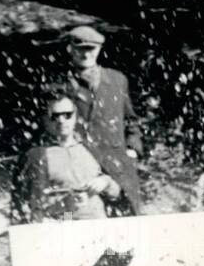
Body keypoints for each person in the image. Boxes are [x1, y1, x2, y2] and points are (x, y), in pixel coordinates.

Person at [60, 25, 145, 215]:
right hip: (81, 163)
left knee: (129, 219)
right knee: (82, 217)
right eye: (80, 49)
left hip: (118, 163)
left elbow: (130, 119)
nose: (85, 54)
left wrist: (132, 149)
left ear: (99, 49)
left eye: (91, 49)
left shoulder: (116, 80)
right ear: (70, 49)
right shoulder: (61, 84)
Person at [11, 88, 124, 223]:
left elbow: (117, 195)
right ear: (45, 119)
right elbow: (31, 210)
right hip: (64, 230)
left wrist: (107, 182)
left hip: (102, 226)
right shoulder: (37, 156)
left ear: (75, 116)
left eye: (67, 115)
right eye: (55, 116)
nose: (61, 120)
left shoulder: (92, 148)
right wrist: (67, 207)